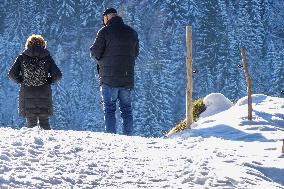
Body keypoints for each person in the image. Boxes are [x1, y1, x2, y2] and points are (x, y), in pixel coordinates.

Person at [90, 8, 139, 135]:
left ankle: (111, 137)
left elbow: (95, 53)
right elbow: (135, 53)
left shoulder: (104, 31)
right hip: (127, 78)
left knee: (110, 109)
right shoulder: (132, 32)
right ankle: (129, 137)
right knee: (127, 110)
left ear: (107, 17)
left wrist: (102, 60)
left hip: (108, 79)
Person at [8, 34, 62, 130]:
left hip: (27, 92)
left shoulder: (22, 57)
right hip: (44, 92)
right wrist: (48, 81)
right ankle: (49, 144)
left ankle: (32, 144)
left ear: (28, 44)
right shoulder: (47, 57)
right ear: (43, 44)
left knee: (30, 123)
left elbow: (12, 74)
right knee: (45, 123)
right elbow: (57, 75)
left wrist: (22, 80)